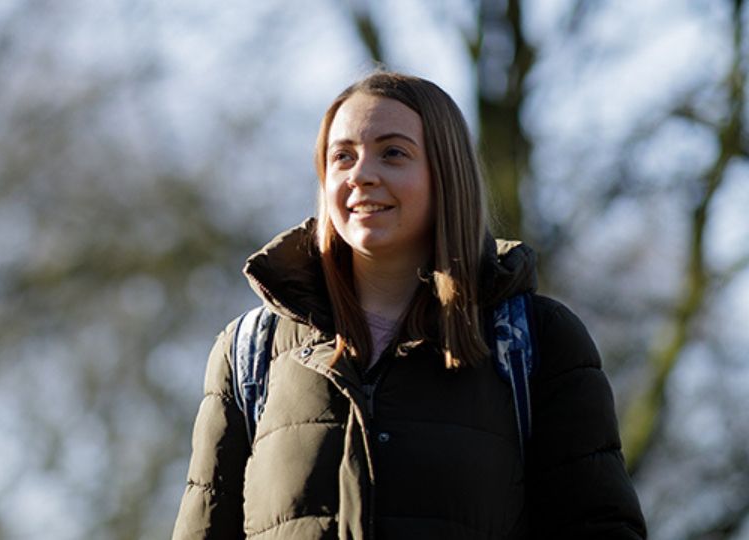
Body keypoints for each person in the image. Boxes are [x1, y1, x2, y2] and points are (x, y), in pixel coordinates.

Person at [171, 71, 647, 539]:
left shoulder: (536, 342)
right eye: (342, 157)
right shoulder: (249, 352)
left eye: (393, 153)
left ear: (446, 175)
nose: (361, 175)